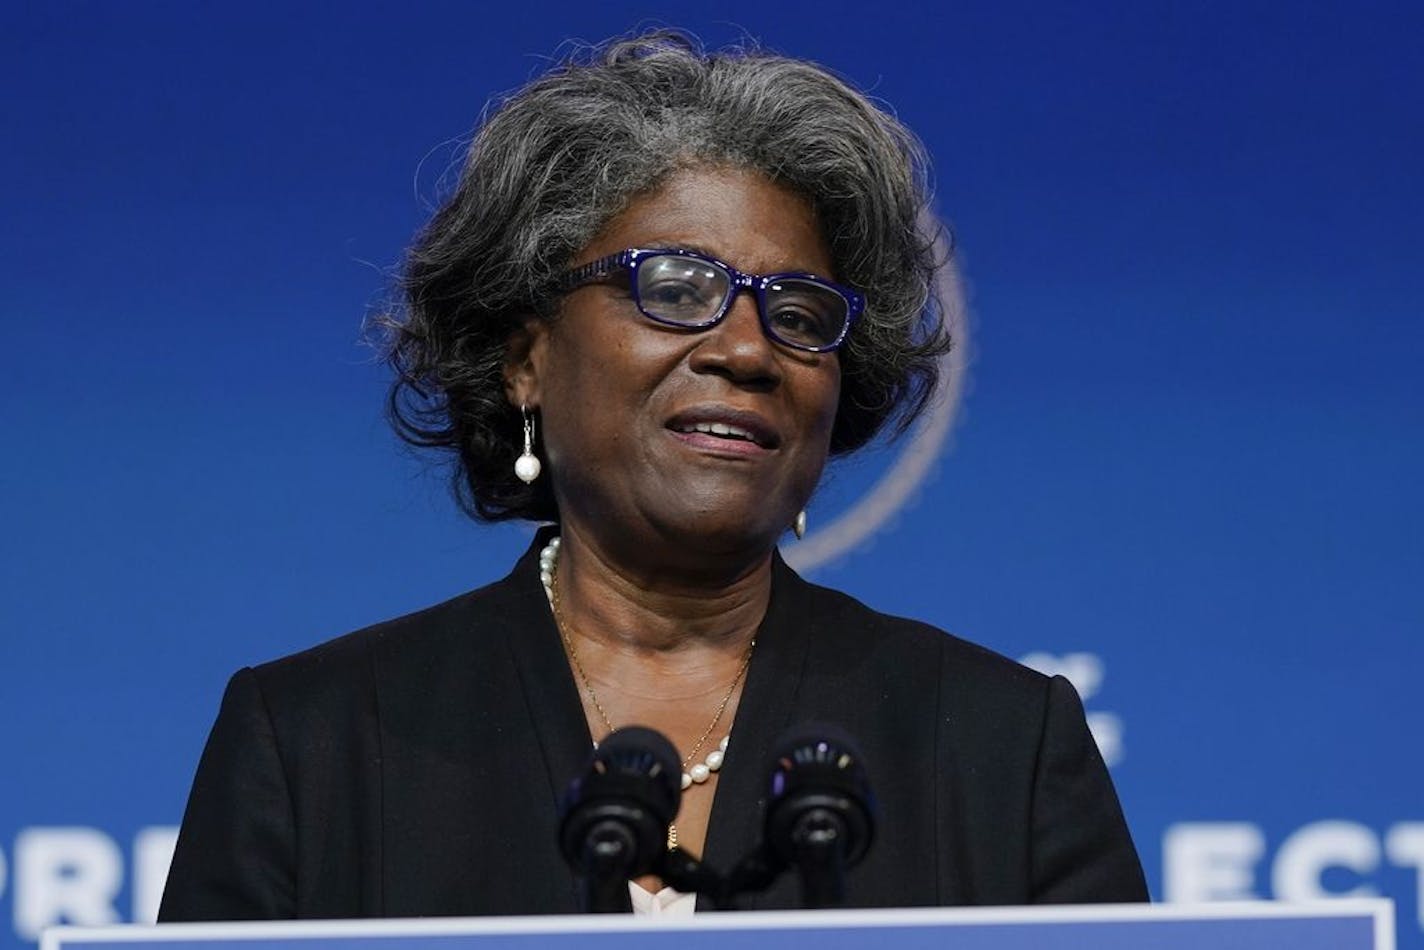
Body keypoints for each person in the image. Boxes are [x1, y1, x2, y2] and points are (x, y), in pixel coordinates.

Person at [159, 30, 1147, 921]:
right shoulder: (313, 743)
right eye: (675, 288)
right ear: (526, 355)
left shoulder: (1001, 747)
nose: (748, 350)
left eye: (797, 314)